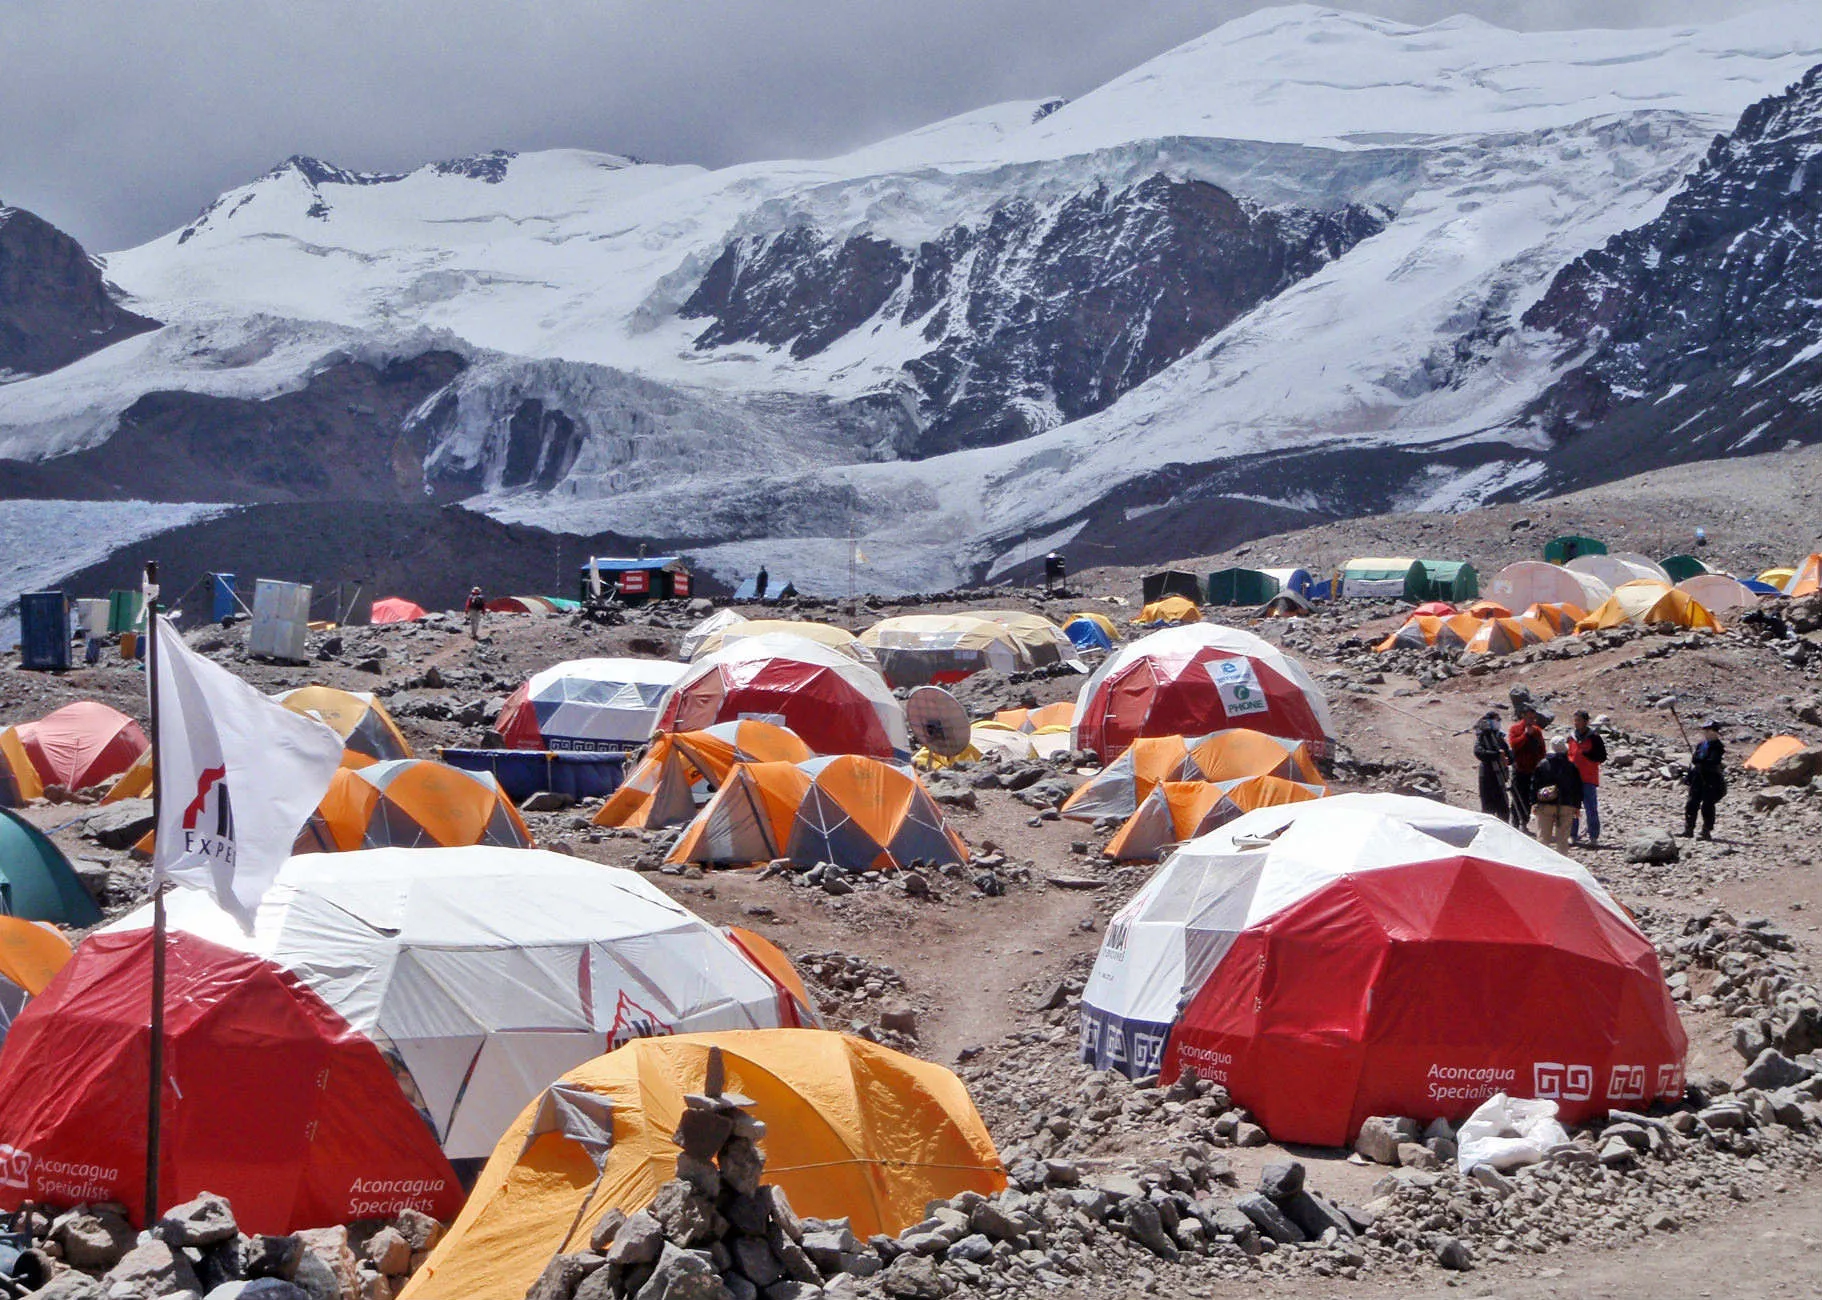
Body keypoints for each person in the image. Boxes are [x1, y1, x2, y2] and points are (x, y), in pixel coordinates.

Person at [1530, 737, 1584, 852]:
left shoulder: (1542, 765)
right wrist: (1577, 806)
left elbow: (1534, 785)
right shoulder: (1572, 767)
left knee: (1543, 839)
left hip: (1545, 805)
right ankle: (1561, 866)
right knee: (1563, 840)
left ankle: (1543, 866)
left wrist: (1534, 802)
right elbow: (1577, 788)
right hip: (1566, 805)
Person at [1568, 710, 1607, 846]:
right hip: (1573, 778)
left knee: (1591, 808)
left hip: (1588, 778)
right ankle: (1572, 835)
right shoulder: (1571, 737)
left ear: (1586, 721)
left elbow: (1602, 757)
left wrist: (1588, 755)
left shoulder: (1594, 738)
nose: (1576, 723)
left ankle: (1593, 836)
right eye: (1575, 720)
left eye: (1578, 720)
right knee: (1573, 808)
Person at [1683, 720, 1727, 840]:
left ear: (1715, 732)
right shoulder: (1701, 745)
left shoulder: (1718, 746)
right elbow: (1694, 760)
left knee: (1707, 805)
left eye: (1708, 730)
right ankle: (1689, 829)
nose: (1705, 732)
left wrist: (1700, 762)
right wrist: (1690, 775)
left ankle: (1706, 830)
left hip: (1711, 778)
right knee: (1691, 803)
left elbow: (1714, 761)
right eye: (1705, 730)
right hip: (1698, 776)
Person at [1506, 706, 1546, 830]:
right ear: (1523, 716)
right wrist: (1525, 736)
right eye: (1529, 717)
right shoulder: (1515, 729)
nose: (1532, 720)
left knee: (1530, 797)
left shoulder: (1537, 731)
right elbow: (1514, 745)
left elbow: (1542, 750)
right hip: (1519, 770)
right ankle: (1515, 822)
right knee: (1517, 796)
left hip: (1532, 770)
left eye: (1533, 718)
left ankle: (1524, 822)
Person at [1472, 712, 1513, 821]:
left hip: (1500, 776)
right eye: (1497, 720)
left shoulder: (1499, 737)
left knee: (1503, 807)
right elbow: (1479, 753)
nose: (1498, 722)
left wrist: (1507, 758)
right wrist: (1497, 755)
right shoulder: (1483, 738)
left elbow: (1509, 754)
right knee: (1488, 808)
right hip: (1487, 776)